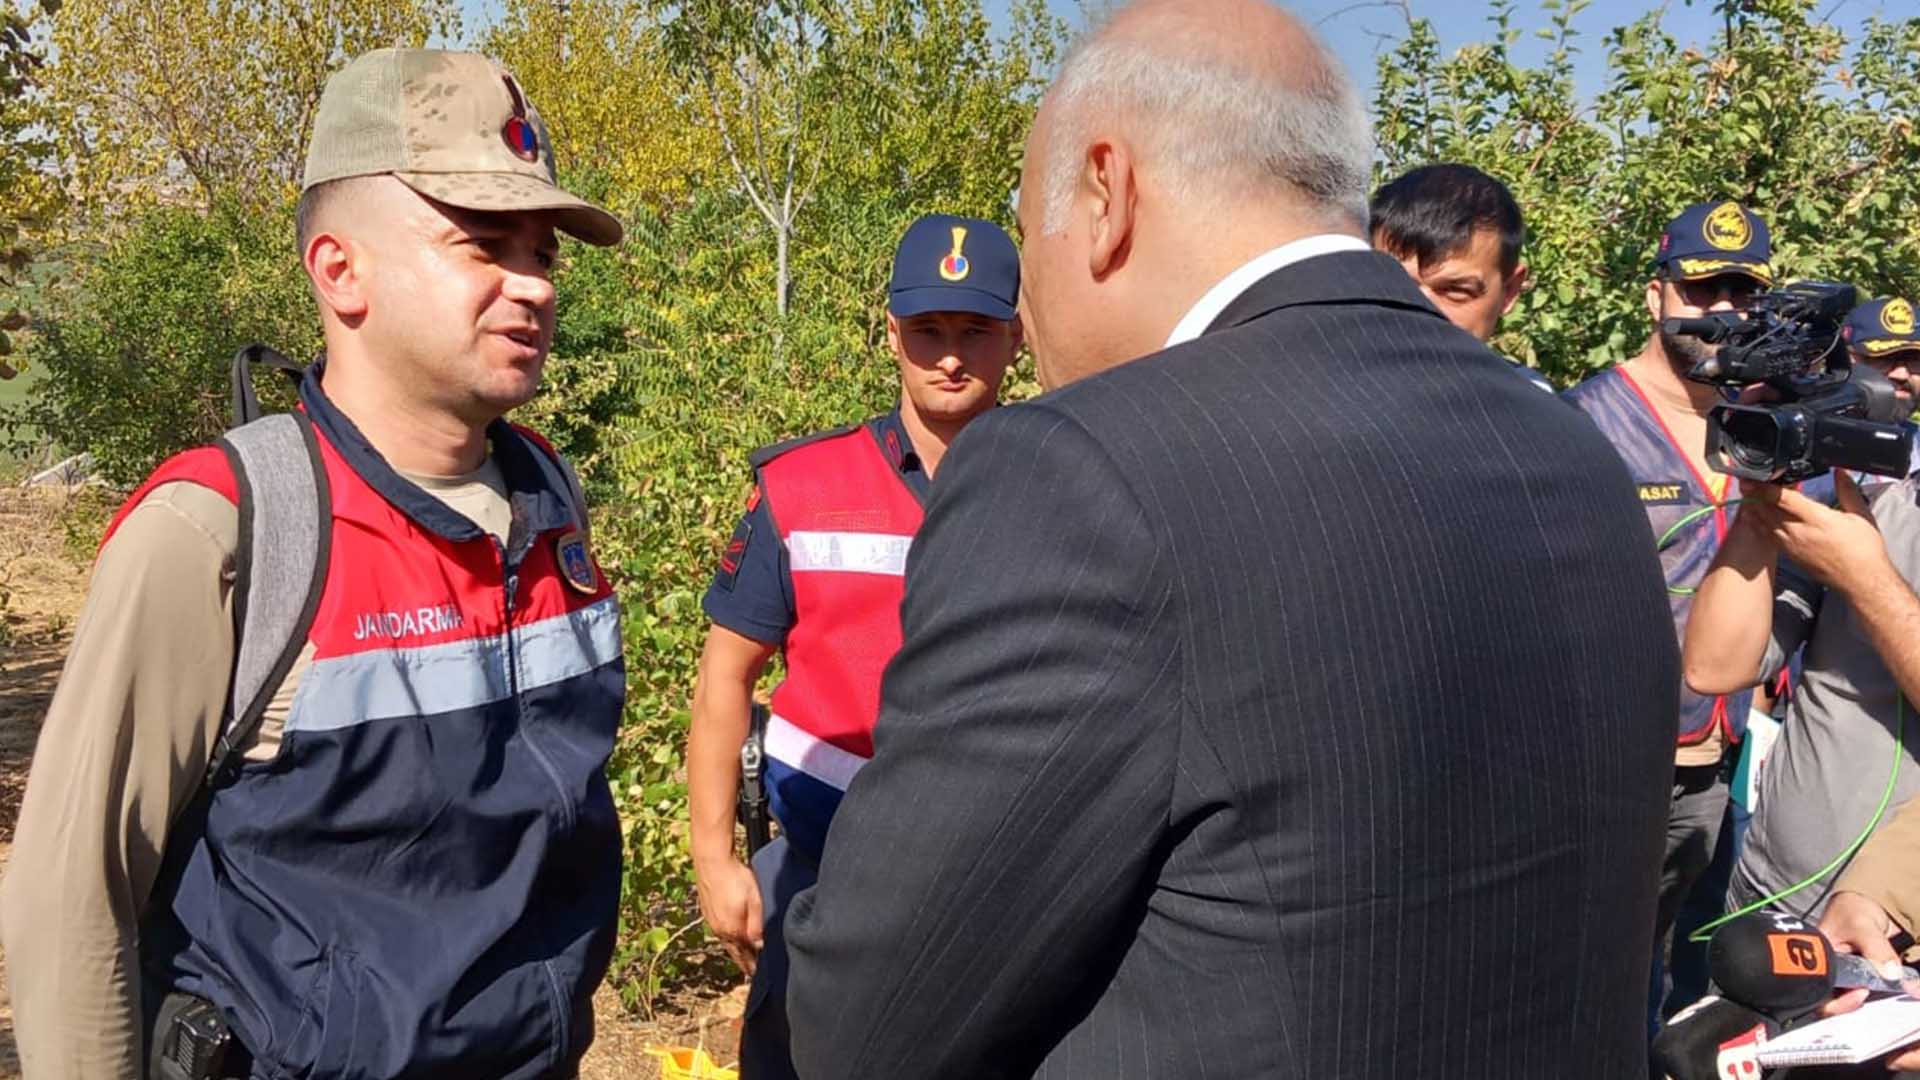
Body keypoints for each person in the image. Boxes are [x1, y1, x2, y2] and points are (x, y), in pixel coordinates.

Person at [782, 2, 1677, 1076]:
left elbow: (871, 1027)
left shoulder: (1079, 472)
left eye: (1031, 229)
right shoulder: (1575, 453)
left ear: (1106, 192)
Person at [0, 48, 626, 1079]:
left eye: (543, 253)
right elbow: (73, 898)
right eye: (481, 243)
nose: (531, 286)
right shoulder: (222, 531)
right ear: (341, 270)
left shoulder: (545, 495)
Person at [685, 213, 1021, 1079]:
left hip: (991, 887)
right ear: (890, 334)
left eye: (975, 331)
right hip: (815, 874)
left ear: (1015, 337)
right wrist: (717, 862)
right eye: (928, 331)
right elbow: (727, 675)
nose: (950, 355)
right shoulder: (802, 487)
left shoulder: (1064, 483)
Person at [1561, 199, 1778, 1026]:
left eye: (1741, 292)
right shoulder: (1583, 425)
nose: (1721, 310)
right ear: (1655, 296)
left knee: (1695, 981)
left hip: (1727, 761)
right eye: (1700, 289)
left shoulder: (1761, 425)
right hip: (1622, 765)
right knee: (1606, 977)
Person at [1684, 295, 1920, 930]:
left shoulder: (1859, 541)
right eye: (1878, 360)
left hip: (1891, 930)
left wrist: (1866, 578)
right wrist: (1762, 497)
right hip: (1773, 899)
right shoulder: (1849, 499)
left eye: (1912, 360)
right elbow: (1714, 666)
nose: (1897, 376)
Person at [1368, 163, 1551, 390]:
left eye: (1455, 291)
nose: (1421, 311)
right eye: (1396, 285)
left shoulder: (1535, 415)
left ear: (1509, 292)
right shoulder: (1317, 388)